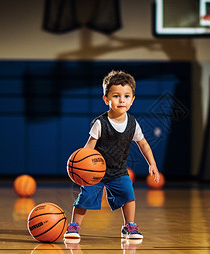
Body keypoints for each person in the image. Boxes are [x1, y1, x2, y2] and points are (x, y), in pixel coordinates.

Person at [64, 70, 160, 241]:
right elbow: (89, 148)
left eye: (126, 96)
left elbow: (143, 144)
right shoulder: (100, 123)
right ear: (106, 99)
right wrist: (82, 165)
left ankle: (129, 226)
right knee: (85, 196)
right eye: (116, 96)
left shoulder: (133, 123)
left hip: (119, 171)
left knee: (128, 194)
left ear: (132, 100)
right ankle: (74, 226)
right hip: (96, 173)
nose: (122, 100)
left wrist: (152, 163)